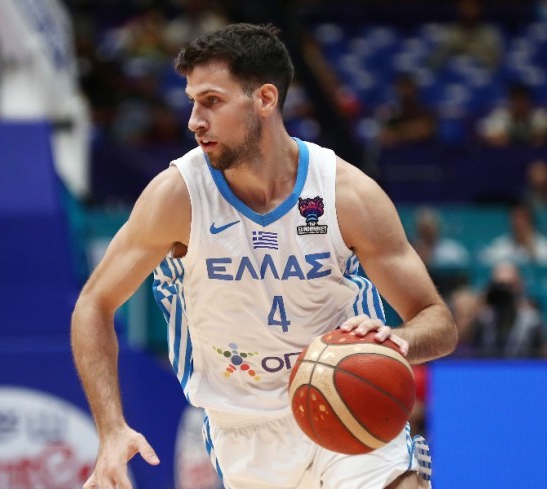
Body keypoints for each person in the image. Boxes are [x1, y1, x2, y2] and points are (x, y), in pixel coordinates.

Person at [71, 23, 457, 489]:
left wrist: (394, 343)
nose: (194, 120)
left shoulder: (346, 194)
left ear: (265, 99)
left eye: (212, 101)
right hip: (245, 432)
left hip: (348, 399)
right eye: (192, 101)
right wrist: (111, 430)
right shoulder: (177, 197)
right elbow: (94, 304)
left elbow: (437, 320)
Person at [468, 262, 547, 358]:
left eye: (509, 286)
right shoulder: (483, 318)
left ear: (520, 286)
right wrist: (476, 307)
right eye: (499, 285)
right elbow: (463, 349)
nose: (503, 291)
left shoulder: (532, 320)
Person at [479, 204, 547, 267]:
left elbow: (546, 266)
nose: (518, 223)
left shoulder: (544, 243)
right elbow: (486, 261)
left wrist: (530, 248)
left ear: (530, 220)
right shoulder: (501, 243)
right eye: (515, 218)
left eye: (522, 219)